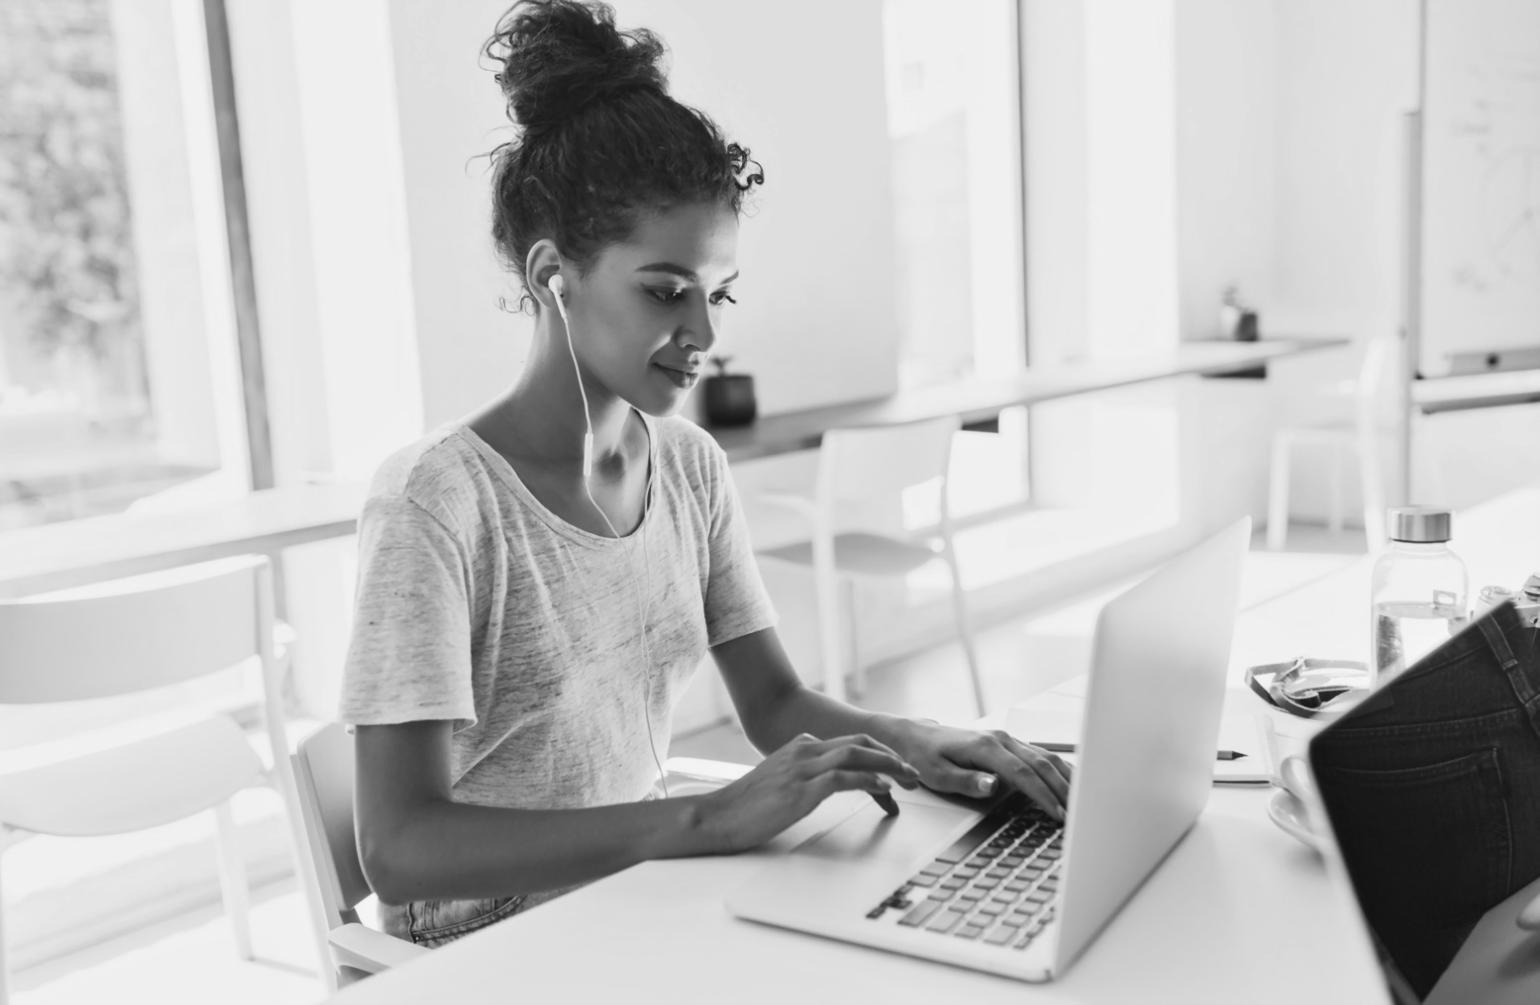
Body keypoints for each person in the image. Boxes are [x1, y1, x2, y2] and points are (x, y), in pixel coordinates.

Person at [338, 0, 1071, 949]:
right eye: (664, 290)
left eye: (715, 292)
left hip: (638, 901)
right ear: (553, 275)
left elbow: (772, 704)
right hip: (491, 950)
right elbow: (398, 847)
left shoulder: (686, 466)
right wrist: (704, 819)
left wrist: (921, 741)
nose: (704, 334)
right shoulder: (437, 503)